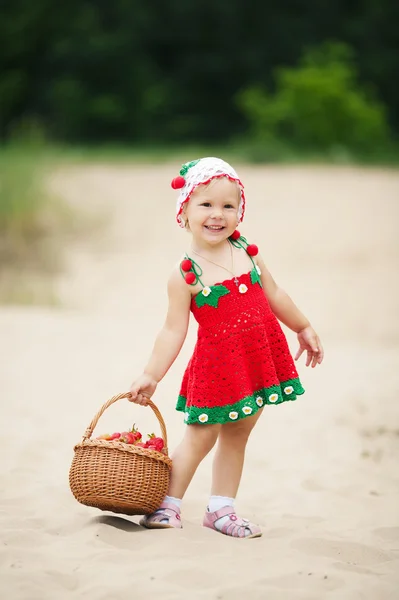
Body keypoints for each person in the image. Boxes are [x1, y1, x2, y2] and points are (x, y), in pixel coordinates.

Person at [129, 157, 324, 538]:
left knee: (239, 433)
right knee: (200, 435)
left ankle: (221, 509)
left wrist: (302, 326)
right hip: (218, 366)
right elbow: (173, 330)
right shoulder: (185, 272)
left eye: (228, 206)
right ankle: (167, 505)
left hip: (255, 360)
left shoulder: (247, 251)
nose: (217, 215)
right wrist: (152, 374)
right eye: (206, 205)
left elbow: (275, 293)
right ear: (184, 212)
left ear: (239, 212)